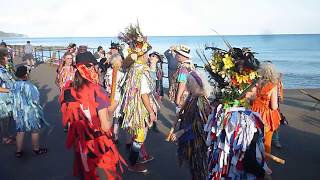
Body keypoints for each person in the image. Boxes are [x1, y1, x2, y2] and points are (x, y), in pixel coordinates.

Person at [59, 52, 126, 179]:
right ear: (89, 68)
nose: (97, 69)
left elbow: (69, 122)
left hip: (81, 144)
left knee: (86, 173)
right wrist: (111, 111)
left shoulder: (67, 91)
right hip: (98, 144)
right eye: (94, 67)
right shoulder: (97, 91)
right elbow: (106, 126)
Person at [118, 23, 158, 173]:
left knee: (138, 134)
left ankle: (137, 157)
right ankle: (132, 164)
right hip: (140, 108)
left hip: (134, 108)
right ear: (141, 56)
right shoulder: (141, 72)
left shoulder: (133, 69)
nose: (148, 56)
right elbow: (144, 94)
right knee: (140, 136)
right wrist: (151, 111)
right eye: (146, 54)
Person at [169, 70, 211, 180]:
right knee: (193, 166)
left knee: (198, 166)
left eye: (188, 82)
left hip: (195, 140)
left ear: (196, 83)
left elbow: (201, 123)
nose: (186, 84)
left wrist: (181, 131)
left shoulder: (201, 101)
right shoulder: (192, 97)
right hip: (189, 138)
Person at [12, 66, 48, 158]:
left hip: (19, 111)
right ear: (26, 75)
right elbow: (35, 100)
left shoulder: (14, 84)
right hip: (30, 111)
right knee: (34, 130)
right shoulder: (31, 86)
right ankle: (36, 149)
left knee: (20, 130)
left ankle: (18, 151)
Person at [252, 62, 281, 158]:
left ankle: (254, 162)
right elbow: (274, 106)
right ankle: (265, 166)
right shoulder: (273, 86)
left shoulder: (256, 84)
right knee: (266, 143)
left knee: (254, 141)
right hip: (267, 117)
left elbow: (251, 99)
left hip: (254, 114)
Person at [104, 53, 125, 144]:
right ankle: (115, 136)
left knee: (109, 116)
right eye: (120, 60)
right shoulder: (120, 74)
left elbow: (105, 84)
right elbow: (122, 86)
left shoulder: (108, 71)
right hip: (116, 96)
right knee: (116, 117)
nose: (121, 62)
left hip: (107, 95)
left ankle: (109, 134)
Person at [168, 45, 194, 114]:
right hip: (188, 95)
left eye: (178, 54)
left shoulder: (183, 68)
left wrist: (178, 99)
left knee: (180, 115)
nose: (177, 55)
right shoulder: (190, 65)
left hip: (183, 96)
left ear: (181, 55)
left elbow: (182, 83)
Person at [0, 47, 15, 145]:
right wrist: (10, 90)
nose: (8, 59)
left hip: (7, 99)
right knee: (5, 119)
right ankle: (5, 138)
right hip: (2, 100)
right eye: (6, 57)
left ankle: (6, 135)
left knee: (8, 118)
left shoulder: (3, 68)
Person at [148, 51, 164, 132]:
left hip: (154, 91)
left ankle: (154, 123)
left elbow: (160, 82)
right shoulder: (146, 67)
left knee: (154, 107)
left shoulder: (159, 70)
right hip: (146, 89)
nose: (151, 57)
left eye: (154, 56)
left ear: (157, 59)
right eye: (151, 56)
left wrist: (161, 93)